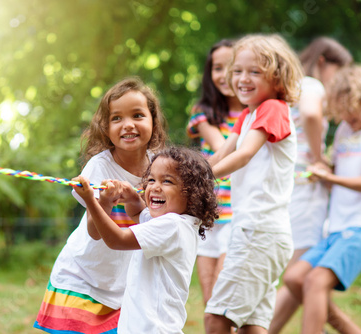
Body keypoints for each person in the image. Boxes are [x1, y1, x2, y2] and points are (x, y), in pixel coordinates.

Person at [34, 77, 167, 334]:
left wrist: (135, 201)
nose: (127, 125)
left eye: (137, 115)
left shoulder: (159, 165)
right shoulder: (100, 166)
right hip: (84, 275)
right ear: (105, 127)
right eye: (116, 118)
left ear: (153, 121)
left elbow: (157, 219)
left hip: (125, 280)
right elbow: (95, 232)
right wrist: (103, 202)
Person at [283, 64, 361, 334]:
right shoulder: (347, 129)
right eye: (343, 112)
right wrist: (322, 169)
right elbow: (335, 168)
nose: (348, 118)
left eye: (354, 111)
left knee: (315, 282)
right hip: (337, 227)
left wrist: (331, 179)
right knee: (295, 278)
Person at [204, 33, 303, 334]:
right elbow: (222, 152)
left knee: (215, 318)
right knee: (252, 325)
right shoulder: (248, 113)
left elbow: (245, 154)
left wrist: (204, 180)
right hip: (256, 232)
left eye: (254, 72)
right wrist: (185, 175)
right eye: (238, 71)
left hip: (259, 232)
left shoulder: (273, 107)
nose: (242, 79)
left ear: (277, 79)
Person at [72, 146, 219, 333]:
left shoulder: (173, 226)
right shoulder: (173, 223)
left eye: (167, 181)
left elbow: (116, 240)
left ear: (191, 194)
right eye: (151, 180)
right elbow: (138, 213)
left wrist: (92, 202)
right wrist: (133, 198)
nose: (155, 187)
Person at [269, 37, 353, 334]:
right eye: (338, 71)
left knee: (297, 273)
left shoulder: (289, 90)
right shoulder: (312, 85)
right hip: (305, 185)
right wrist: (320, 159)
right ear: (322, 62)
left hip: (290, 185)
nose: (338, 81)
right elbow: (312, 114)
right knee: (300, 271)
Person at [186, 39, 245, 305]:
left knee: (225, 296)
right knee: (211, 303)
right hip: (208, 214)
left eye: (231, 67)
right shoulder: (203, 114)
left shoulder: (256, 113)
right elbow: (224, 148)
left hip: (239, 215)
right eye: (217, 68)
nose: (223, 75)